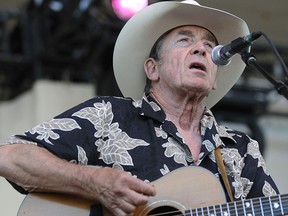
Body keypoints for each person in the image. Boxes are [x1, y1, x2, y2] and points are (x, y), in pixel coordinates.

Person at [0, 0, 279, 216]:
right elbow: (10, 157)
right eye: (185, 40)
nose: (202, 50)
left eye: (209, 45)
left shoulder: (241, 151)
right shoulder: (108, 116)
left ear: (214, 78)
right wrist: (94, 181)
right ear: (152, 68)